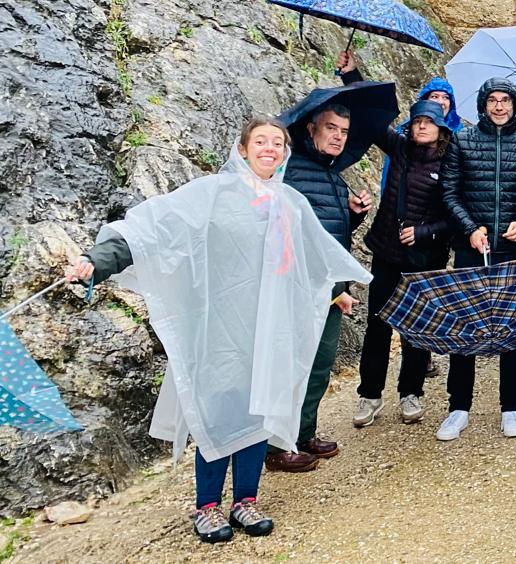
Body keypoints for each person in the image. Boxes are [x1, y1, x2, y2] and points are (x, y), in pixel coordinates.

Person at [63, 117, 369, 544]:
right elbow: (153, 230)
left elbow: (310, 259)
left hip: (268, 327)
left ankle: (246, 500)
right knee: (219, 411)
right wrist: (98, 261)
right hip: (221, 328)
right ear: (242, 149)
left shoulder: (290, 203)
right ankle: (207, 506)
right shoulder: (211, 193)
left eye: (277, 143)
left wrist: (336, 291)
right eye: (260, 141)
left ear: (285, 153)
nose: (270, 148)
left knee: (258, 410)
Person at [437, 78, 516, 441]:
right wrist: (470, 228)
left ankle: (512, 406)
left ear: (514, 105)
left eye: (505, 100)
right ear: (483, 105)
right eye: (492, 100)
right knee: (465, 326)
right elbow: (449, 193)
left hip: (511, 249)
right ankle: (458, 407)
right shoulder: (462, 141)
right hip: (471, 248)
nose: (499, 106)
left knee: (512, 329)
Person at [266, 102, 369, 474]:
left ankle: (303, 434)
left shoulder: (333, 175)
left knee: (319, 365)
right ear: (311, 130)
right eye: (331, 128)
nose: (338, 137)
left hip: (328, 287)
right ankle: (277, 446)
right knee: (292, 366)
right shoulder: (290, 170)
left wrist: (353, 215)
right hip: (298, 286)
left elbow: (331, 235)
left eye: (344, 131)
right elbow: (286, 234)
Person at [352, 100, 455, 430]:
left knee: (416, 328)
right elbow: (371, 118)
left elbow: (454, 215)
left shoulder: (451, 162)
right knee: (378, 324)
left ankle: (411, 392)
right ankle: (370, 395)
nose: (422, 126)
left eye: (429, 121)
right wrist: (351, 76)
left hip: (425, 259)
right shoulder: (399, 149)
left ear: (441, 129)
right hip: (387, 252)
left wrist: (424, 232)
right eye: (417, 121)